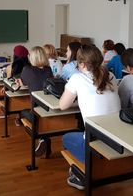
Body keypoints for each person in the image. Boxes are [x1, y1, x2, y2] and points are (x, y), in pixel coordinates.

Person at [59, 44, 121, 190]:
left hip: (94, 145)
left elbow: (62, 105)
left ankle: (81, 173)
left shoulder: (77, 78)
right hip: (117, 141)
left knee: (66, 139)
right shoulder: (111, 76)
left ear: (81, 63)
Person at [16, 46, 53, 148]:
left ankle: (41, 137)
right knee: (40, 118)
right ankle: (43, 139)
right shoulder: (49, 69)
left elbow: (23, 84)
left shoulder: (27, 70)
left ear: (31, 58)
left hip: (35, 110)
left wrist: (20, 82)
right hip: (49, 109)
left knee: (22, 112)